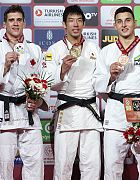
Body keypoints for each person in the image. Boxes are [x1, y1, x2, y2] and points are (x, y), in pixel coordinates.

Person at [0, 5, 49, 180]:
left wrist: (39, 101)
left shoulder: (35, 49)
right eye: (11, 20)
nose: (15, 24)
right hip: (5, 110)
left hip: (29, 112)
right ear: (4, 24)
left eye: (19, 20)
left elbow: (44, 79)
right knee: (4, 166)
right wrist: (5, 66)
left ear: (24, 23)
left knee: (35, 164)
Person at [94, 7, 140, 180]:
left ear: (135, 23)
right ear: (115, 25)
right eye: (119, 21)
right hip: (116, 108)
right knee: (112, 163)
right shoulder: (106, 51)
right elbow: (97, 83)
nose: (124, 24)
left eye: (127, 20)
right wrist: (110, 76)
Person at [45, 5, 103, 180]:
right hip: (67, 110)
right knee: (63, 164)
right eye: (71, 20)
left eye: (79, 20)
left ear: (84, 24)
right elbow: (48, 82)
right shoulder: (54, 50)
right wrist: (62, 70)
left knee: (92, 165)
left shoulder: (94, 48)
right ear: (64, 24)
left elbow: (100, 79)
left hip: (90, 111)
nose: (75, 24)